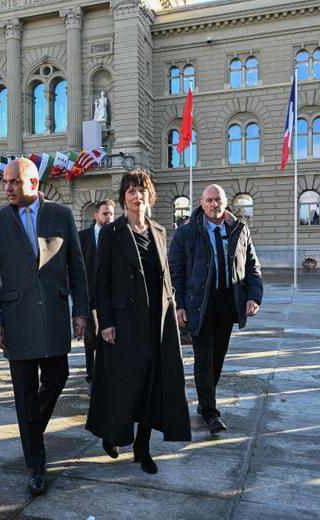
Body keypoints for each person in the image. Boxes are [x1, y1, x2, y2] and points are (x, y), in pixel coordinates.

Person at [0, 158, 88, 495]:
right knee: (24, 394)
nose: (7, 187)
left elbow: (77, 267)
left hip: (54, 314)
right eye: (5, 182)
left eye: (14, 182)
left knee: (57, 378)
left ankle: (31, 431)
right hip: (16, 321)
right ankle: (37, 464)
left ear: (34, 184)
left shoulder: (61, 215)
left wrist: (81, 310)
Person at [86, 169, 191, 474]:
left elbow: (167, 278)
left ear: (149, 195)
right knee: (121, 386)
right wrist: (104, 322)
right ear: (123, 198)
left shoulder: (159, 231)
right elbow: (100, 281)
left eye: (141, 190)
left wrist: (173, 315)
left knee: (150, 386)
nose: (137, 196)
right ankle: (112, 433)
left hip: (155, 323)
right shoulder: (111, 232)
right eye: (131, 191)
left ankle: (142, 449)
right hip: (121, 323)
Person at [168, 184, 263, 435]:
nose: (214, 204)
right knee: (203, 359)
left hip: (227, 304)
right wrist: (178, 305)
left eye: (218, 200)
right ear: (202, 203)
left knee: (217, 359)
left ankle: (204, 400)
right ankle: (210, 411)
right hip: (200, 305)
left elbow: (252, 267)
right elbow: (174, 274)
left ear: (225, 202)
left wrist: (253, 296)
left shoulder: (239, 230)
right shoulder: (186, 233)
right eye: (209, 200)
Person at [78, 200, 115, 394]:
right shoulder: (83, 237)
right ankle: (92, 376)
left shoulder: (117, 236)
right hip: (89, 294)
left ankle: (106, 375)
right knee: (90, 337)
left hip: (110, 295)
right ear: (96, 215)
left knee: (108, 336)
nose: (108, 217)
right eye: (105, 214)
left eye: (110, 214)